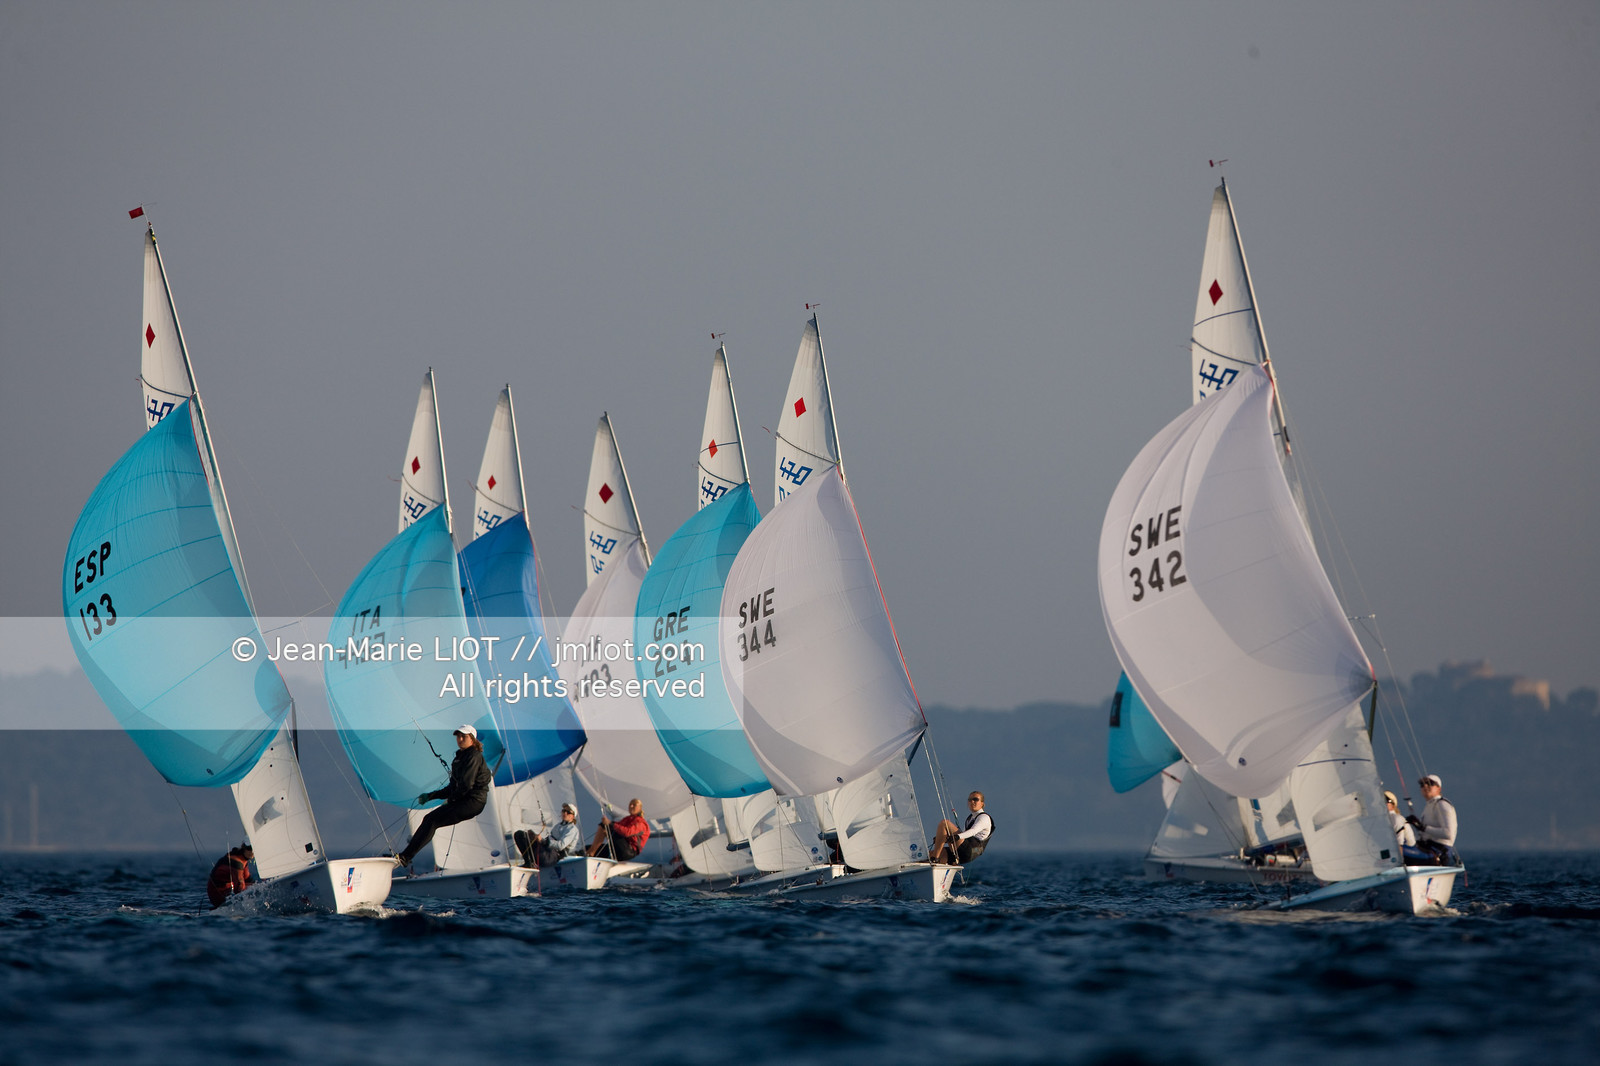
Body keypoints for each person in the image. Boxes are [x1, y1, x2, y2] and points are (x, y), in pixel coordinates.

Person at [394, 725, 493, 868]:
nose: (460, 739)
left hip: (473, 802)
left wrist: (451, 800)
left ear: (472, 739)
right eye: (458, 736)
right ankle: (405, 856)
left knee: (432, 820)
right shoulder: (459, 758)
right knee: (430, 819)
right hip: (464, 800)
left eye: (463, 736)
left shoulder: (473, 756)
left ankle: (405, 857)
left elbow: (466, 785)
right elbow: (452, 788)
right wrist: (430, 796)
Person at [1408, 773, 1459, 864]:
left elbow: (1448, 833)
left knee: (1400, 851)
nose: (1425, 786)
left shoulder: (1442, 804)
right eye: (1422, 784)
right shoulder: (1429, 805)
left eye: (1430, 783)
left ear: (1439, 788)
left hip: (1437, 852)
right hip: (1426, 848)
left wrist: (1423, 827)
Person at [930, 791, 994, 865]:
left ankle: (935, 858)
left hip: (970, 850)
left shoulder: (984, 817)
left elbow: (973, 831)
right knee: (929, 854)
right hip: (963, 851)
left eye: (975, 799)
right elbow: (964, 835)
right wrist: (941, 839)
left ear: (982, 803)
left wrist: (957, 837)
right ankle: (935, 862)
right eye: (969, 800)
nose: (972, 801)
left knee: (944, 823)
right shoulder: (970, 818)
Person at [514, 802, 584, 868]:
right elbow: (548, 839)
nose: (565, 813)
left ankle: (532, 863)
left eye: (568, 812)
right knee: (520, 835)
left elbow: (561, 845)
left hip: (556, 855)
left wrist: (543, 841)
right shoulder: (558, 826)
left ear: (573, 816)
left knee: (539, 854)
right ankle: (529, 863)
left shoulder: (572, 829)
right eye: (563, 810)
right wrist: (536, 837)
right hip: (547, 850)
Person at [206, 843, 254, 908]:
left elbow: (248, 879)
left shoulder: (243, 859)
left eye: (255, 849)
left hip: (227, 891)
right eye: (250, 849)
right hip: (218, 895)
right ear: (244, 849)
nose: (253, 852)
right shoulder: (236, 862)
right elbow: (239, 888)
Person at [1384, 790, 1420, 861]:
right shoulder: (1384, 820)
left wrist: (1399, 863)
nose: (1383, 803)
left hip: (1410, 853)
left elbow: (1399, 844)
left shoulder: (1396, 818)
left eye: (1386, 800)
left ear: (1393, 805)